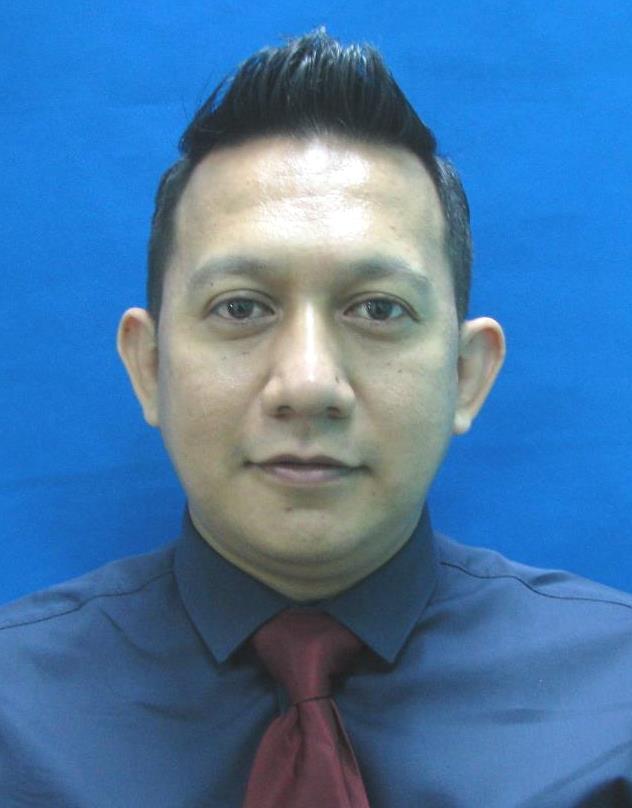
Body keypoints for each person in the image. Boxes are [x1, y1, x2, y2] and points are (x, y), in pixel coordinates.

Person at [1, 28, 631, 808]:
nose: (306, 384)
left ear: (466, 376)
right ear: (150, 366)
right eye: (241, 307)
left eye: (378, 309)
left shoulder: (618, 708)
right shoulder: (14, 716)